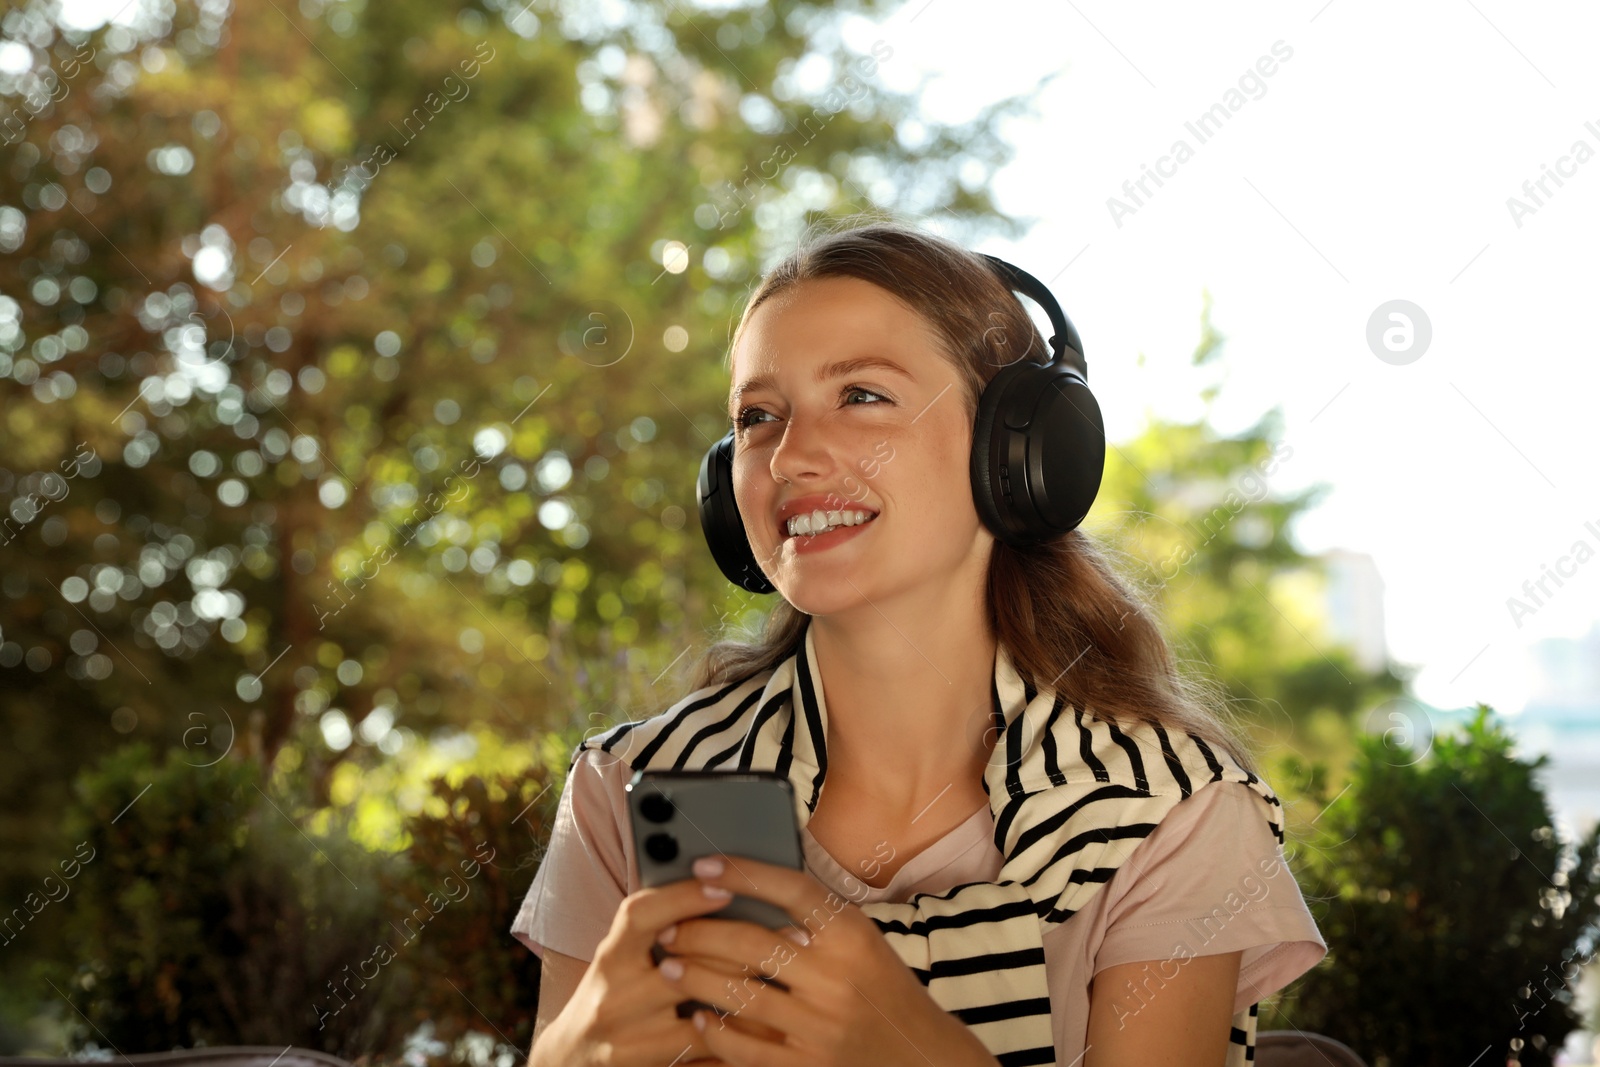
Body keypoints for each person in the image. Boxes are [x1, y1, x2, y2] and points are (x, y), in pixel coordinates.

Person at [513, 218, 1327, 1066]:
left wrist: (904, 1041)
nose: (790, 457)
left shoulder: (1171, 810)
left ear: (1017, 449)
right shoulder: (626, 788)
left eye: (862, 395)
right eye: (758, 416)